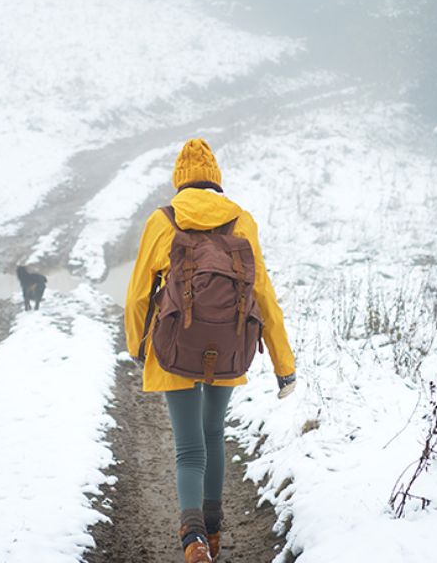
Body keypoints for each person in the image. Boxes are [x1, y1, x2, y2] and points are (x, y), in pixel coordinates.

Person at [124, 138, 297, 563]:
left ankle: (193, 540)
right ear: (216, 180)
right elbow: (263, 294)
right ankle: (215, 534)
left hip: (175, 346)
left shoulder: (162, 220)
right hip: (229, 343)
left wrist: (137, 347)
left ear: (179, 180)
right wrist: (283, 364)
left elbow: (137, 298)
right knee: (213, 433)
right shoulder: (242, 220)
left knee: (188, 448)